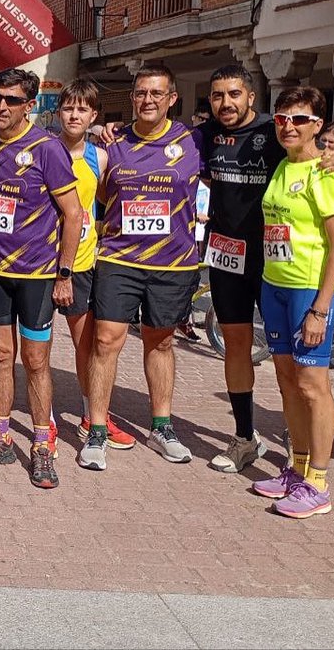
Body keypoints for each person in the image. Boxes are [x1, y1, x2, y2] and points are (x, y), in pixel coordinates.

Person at [189, 65, 334, 474]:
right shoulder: (206, 133)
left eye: (234, 94)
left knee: (294, 369)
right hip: (227, 254)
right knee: (237, 345)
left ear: (250, 97)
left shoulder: (275, 131)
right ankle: (246, 438)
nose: (225, 103)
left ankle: (308, 462)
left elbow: (317, 159)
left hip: (277, 263)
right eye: (217, 96)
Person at [0, 68, 82, 489]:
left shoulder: (46, 148)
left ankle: (43, 445)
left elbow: (73, 213)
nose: (1, 106)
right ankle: (0, 436)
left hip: (36, 274)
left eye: (12, 100)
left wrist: (64, 274)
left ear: (29, 106)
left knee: (35, 360)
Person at [80, 64, 200, 471]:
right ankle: (97, 430)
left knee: (160, 342)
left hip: (174, 262)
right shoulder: (110, 145)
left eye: (156, 93)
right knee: (105, 340)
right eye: (140, 93)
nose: (147, 100)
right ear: (132, 98)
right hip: (119, 258)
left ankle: (161, 426)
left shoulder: (193, 141)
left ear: (172, 98)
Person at [251, 87, 334, 518]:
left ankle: (320, 484)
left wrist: (321, 307)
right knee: (287, 381)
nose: (288, 126)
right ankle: (298, 467)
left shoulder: (326, 174)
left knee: (313, 385)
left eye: (299, 119)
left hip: (310, 292)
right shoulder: (282, 168)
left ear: (317, 126)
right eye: (282, 119)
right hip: (275, 285)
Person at [53, 80, 137, 451]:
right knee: (34, 347)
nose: (74, 115)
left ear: (93, 116)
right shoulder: (44, 149)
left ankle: (92, 416)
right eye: (69, 107)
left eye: (82, 109)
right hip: (40, 262)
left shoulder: (98, 157)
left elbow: (106, 199)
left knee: (84, 343)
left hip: (82, 260)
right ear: (59, 112)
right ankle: (44, 420)